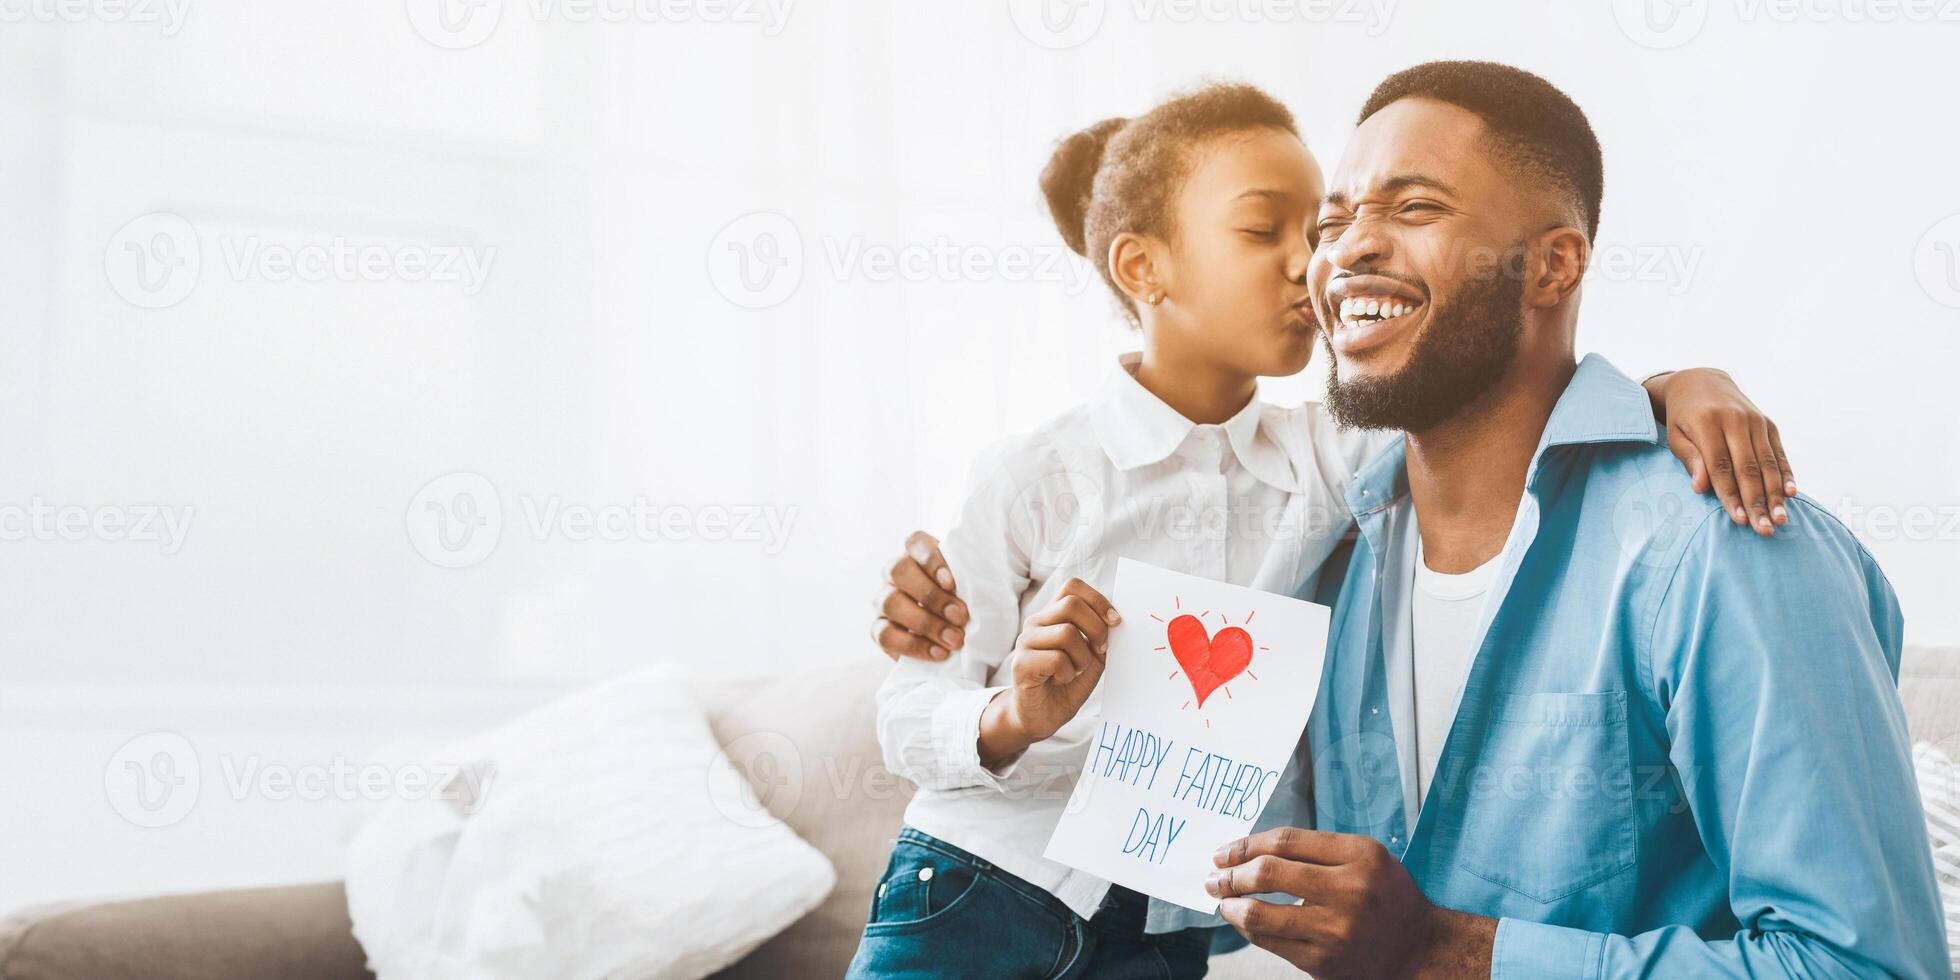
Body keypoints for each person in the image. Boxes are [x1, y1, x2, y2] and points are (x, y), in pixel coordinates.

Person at [855, 78, 1801, 979]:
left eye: (1311, 232)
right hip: (975, 886)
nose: (1312, 263)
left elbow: (1500, 413)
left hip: (1159, 928)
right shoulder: (1035, 476)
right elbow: (908, 709)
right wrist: (1008, 716)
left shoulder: (1328, 456)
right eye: (1266, 231)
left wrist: (1676, 386)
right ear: (1143, 268)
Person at [1195, 61, 1942, 978]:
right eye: (1334, 221)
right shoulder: (1333, 549)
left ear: (1554, 264)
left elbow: (1860, 966)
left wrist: (1443, 952)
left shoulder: (1725, 547)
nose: (1349, 249)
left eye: (1416, 208)